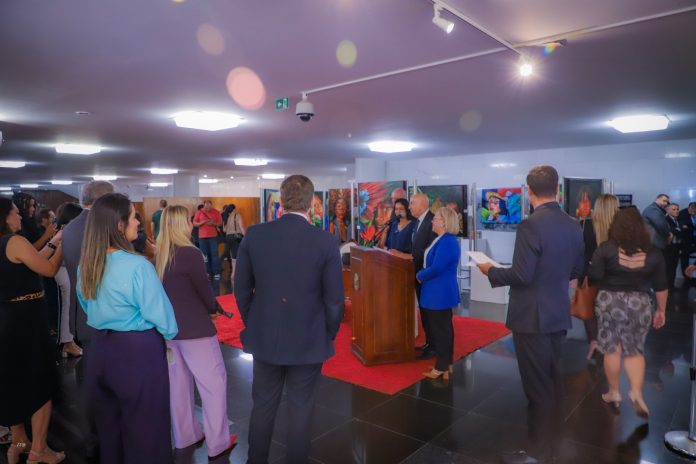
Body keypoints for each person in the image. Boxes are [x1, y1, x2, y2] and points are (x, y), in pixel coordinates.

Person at [477, 165, 584, 463]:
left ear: (529, 191)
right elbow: (577, 270)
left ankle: (537, 452)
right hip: (557, 311)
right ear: (557, 189)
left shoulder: (530, 225)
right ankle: (551, 444)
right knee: (551, 381)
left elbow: (522, 275)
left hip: (532, 317)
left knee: (537, 387)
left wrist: (490, 270)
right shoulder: (573, 224)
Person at [234, 175, 344, 464]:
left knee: (263, 406)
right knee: (301, 408)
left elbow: (241, 288)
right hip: (308, 337)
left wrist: (254, 320)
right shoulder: (325, 241)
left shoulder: (255, 235)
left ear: (280, 201)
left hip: (265, 335)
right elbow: (334, 300)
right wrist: (327, 333)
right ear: (312, 203)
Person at [77, 193, 178, 464]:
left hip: (99, 349)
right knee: (147, 430)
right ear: (119, 225)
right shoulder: (137, 266)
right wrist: (168, 337)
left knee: (110, 430)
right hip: (137, 353)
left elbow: (86, 304)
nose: (138, 223)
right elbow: (164, 318)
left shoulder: (88, 264)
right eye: (134, 217)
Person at [155, 205, 235, 458]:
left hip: (169, 331)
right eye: (189, 220)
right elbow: (204, 290)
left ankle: (185, 436)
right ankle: (218, 442)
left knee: (178, 387)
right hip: (195, 330)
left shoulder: (161, 254)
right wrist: (213, 309)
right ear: (182, 224)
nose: (192, 223)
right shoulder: (190, 253)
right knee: (213, 385)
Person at [0, 197, 66, 464]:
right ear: (4, 216)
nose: (20, 217)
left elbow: (34, 260)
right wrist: (64, 246)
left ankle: (18, 444)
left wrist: (53, 242)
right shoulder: (14, 241)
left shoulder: (8, 244)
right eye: (16, 213)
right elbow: (48, 269)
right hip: (26, 321)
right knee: (40, 382)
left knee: (13, 382)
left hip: (7, 319)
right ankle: (39, 450)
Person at [588, 207, 668, 418]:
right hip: (639, 303)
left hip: (609, 302)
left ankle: (614, 392)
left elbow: (594, 275)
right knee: (635, 350)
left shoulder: (606, 248)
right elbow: (661, 285)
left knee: (612, 349)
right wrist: (661, 310)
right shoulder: (654, 252)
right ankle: (636, 392)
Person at [62, 180, 114, 347]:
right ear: (106, 200)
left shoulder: (71, 226)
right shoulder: (100, 227)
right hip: (101, 315)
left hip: (82, 313)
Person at [391, 193, 438, 359]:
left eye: (412, 203)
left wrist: (406, 256)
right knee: (424, 312)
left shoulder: (432, 221)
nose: (409, 207)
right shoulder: (418, 221)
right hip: (417, 273)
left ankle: (434, 347)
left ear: (422, 204)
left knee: (430, 313)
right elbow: (417, 247)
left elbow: (430, 250)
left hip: (427, 275)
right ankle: (430, 343)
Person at [417, 207, 461, 380]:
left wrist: (420, 275)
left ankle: (441, 366)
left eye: (435, 218)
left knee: (441, 330)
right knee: (443, 328)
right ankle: (445, 363)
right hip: (437, 291)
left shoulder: (447, 241)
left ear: (444, 222)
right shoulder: (442, 239)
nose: (432, 221)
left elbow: (437, 268)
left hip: (439, 292)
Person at [580, 194, 619, 359]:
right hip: (614, 276)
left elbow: (579, 252)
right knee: (610, 310)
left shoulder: (585, 225)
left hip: (590, 274)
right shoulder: (621, 228)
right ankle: (609, 343)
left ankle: (594, 342)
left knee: (589, 311)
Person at [54, 202, 84, 358]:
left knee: (71, 305)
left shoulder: (66, 229)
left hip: (68, 268)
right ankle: (67, 342)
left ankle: (70, 340)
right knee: (68, 305)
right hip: (63, 269)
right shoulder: (66, 230)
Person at [193, 200, 223, 279]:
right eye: (206, 206)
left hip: (213, 237)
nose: (208, 208)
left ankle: (216, 272)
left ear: (211, 205)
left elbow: (220, 223)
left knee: (214, 255)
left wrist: (213, 224)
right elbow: (194, 223)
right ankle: (207, 272)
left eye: (209, 206)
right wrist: (202, 222)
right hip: (202, 237)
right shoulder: (199, 212)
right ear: (204, 205)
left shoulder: (216, 212)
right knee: (204, 256)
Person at [223, 203, 245, 281]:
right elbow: (241, 227)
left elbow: (224, 230)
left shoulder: (226, 217)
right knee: (237, 256)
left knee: (233, 256)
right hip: (236, 237)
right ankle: (235, 274)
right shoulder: (237, 215)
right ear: (234, 209)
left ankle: (233, 273)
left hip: (228, 237)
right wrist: (246, 236)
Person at [678, 202, 696, 287]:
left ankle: (692, 276)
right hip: (686, 241)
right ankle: (686, 278)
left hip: (694, 240)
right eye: (691, 210)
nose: (693, 212)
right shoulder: (683, 213)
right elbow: (684, 227)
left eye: (694, 211)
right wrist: (689, 227)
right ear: (688, 208)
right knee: (684, 259)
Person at [664, 203, 682, 289]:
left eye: (677, 209)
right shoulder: (666, 220)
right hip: (669, 247)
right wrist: (678, 230)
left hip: (676, 246)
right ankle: (667, 286)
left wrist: (678, 230)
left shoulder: (677, 220)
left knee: (674, 266)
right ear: (668, 210)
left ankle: (671, 285)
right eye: (674, 209)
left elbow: (681, 232)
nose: (677, 211)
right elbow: (672, 231)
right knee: (668, 266)